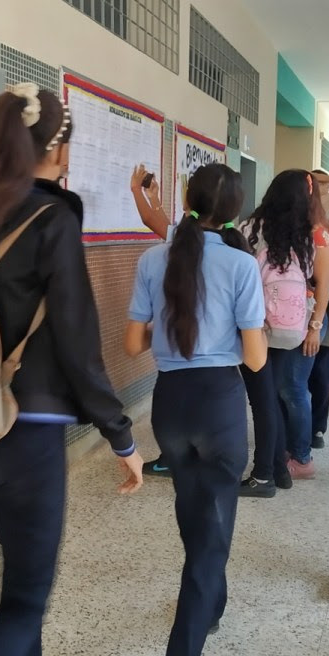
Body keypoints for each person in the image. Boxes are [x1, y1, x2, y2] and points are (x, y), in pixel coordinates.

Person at [0, 84, 144, 656]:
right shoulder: (53, 218)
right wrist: (120, 435)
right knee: (24, 602)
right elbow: (78, 339)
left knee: (21, 580)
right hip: (29, 427)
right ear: (58, 148)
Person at [125, 163, 267, 656]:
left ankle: (210, 603)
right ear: (234, 213)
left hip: (171, 403)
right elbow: (254, 360)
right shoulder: (240, 266)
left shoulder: (152, 258)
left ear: (188, 199)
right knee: (212, 530)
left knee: (195, 514)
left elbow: (132, 342)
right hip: (219, 404)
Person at [243, 169, 329, 481]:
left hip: (256, 323)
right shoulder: (315, 234)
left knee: (273, 393)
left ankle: (289, 459)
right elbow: (323, 284)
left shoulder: (251, 227)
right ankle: (285, 459)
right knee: (288, 390)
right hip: (296, 323)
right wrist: (314, 326)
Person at [130, 164, 176, 478]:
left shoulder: (183, 239)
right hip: (216, 360)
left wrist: (136, 190)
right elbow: (158, 219)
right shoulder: (230, 245)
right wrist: (153, 197)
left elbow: (151, 221)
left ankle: (170, 459)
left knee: (167, 407)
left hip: (175, 347)